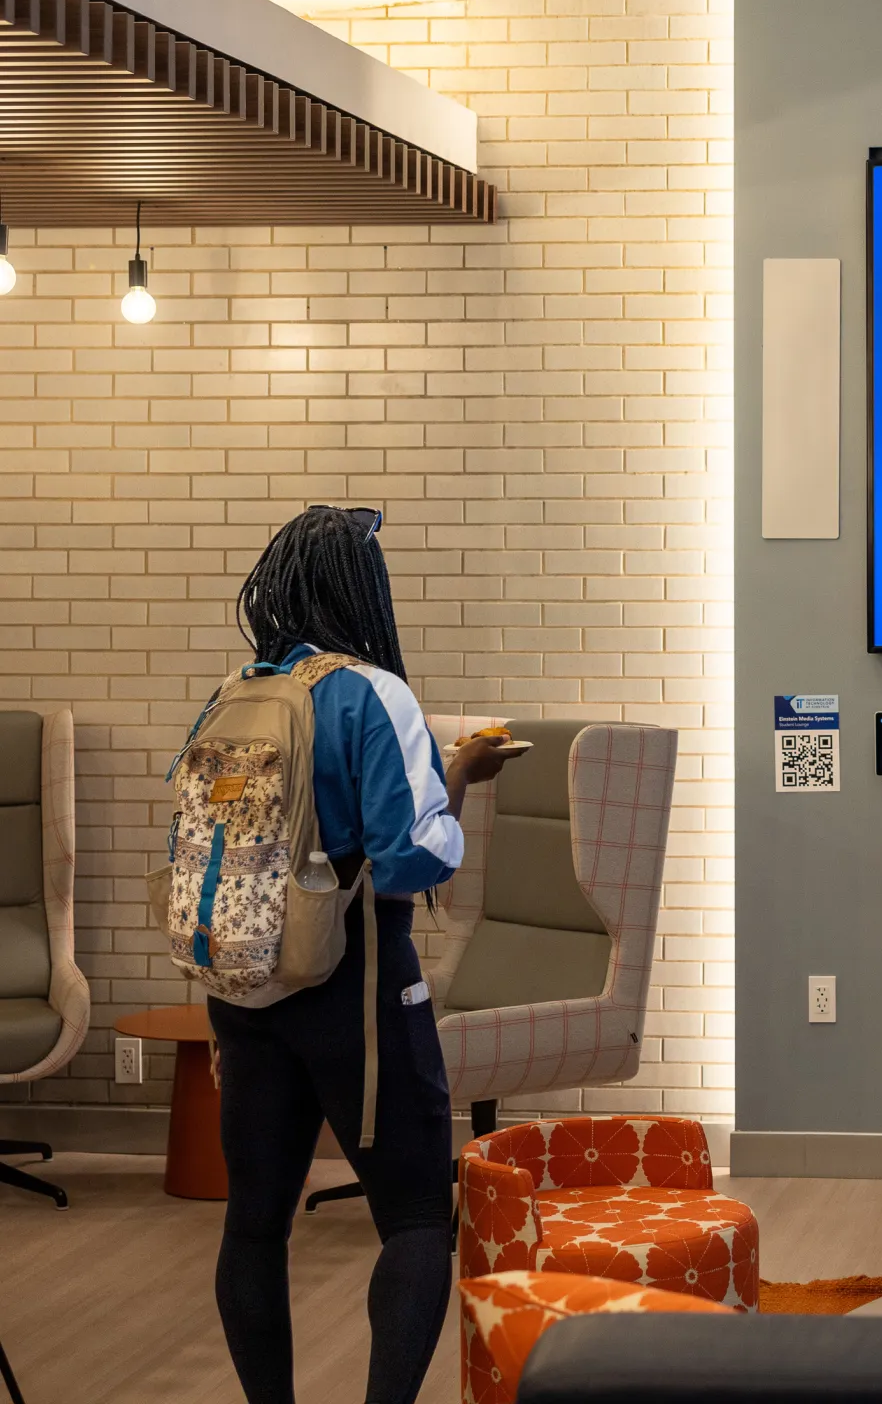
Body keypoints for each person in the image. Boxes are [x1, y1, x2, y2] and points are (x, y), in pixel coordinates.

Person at [205, 505, 509, 1404]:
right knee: (417, 1219)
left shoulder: (234, 693)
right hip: (358, 988)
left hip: (248, 987)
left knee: (254, 1226)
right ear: (360, 589)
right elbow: (409, 855)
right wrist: (457, 790)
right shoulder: (374, 692)